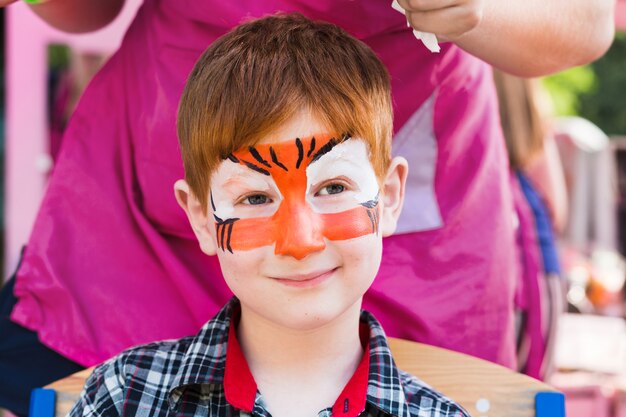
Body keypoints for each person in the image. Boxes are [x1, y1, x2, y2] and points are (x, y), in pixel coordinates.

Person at [0, 0, 616, 415]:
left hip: (407, 247)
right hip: (137, 237)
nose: (295, 239)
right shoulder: (115, 389)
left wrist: (475, 8)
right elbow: (83, 9)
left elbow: (581, 22)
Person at [68, 13, 469, 417]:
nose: (300, 241)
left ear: (388, 197)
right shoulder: (123, 398)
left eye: (332, 189)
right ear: (201, 217)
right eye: (256, 198)